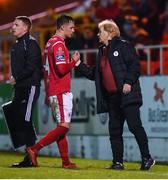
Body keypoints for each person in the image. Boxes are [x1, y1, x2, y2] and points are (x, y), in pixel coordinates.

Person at [75, 19, 155, 170]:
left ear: (110, 32)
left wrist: (128, 82)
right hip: (112, 98)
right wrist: (79, 64)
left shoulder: (124, 45)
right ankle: (118, 162)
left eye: (101, 32)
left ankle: (146, 158)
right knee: (114, 131)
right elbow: (95, 74)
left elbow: (135, 66)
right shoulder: (102, 51)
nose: (98, 35)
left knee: (134, 126)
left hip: (127, 94)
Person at [26, 14, 80, 169]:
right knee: (64, 126)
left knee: (61, 128)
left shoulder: (49, 43)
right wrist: (73, 62)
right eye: (71, 27)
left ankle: (65, 162)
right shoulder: (58, 45)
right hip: (60, 89)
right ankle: (35, 149)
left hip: (54, 89)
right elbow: (62, 69)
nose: (73, 30)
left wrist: (48, 91)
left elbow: (46, 71)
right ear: (62, 27)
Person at [9, 16, 43, 167]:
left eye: (16, 25)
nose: (13, 27)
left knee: (26, 119)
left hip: (30, 86)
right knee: (18, 119)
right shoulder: (16, 45)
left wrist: (16, 77)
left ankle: (30, 156)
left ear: (25, 28)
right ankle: (29, 154)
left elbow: (31, 67)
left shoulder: (31, 44)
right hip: (20, 87)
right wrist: (15, 80)